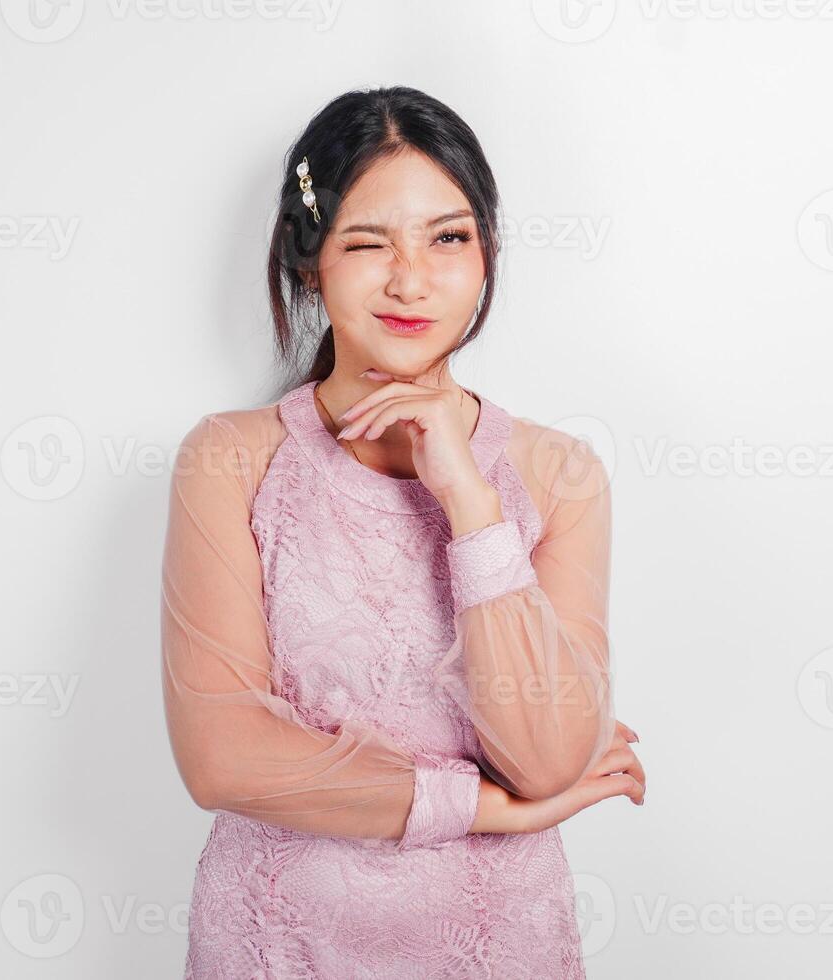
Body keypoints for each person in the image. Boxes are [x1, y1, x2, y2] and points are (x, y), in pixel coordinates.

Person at [161, 85, 646, 979]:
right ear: (310, 263)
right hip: (278, 947)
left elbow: (544, 758)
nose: (411, 280)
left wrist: (466, 495)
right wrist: (490, 809)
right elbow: (222, 758)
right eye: (367, 243)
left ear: (488, 255)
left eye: (448, 238)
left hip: (500, 946)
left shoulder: (558, 472)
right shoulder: (229, 460)